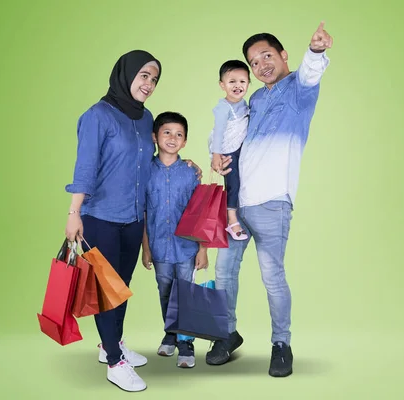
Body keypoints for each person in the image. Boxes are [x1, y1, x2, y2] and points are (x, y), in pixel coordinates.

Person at [64, 50, 206, 392]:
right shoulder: (97, 116)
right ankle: (115, 362)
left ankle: (111, 343)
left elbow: (158, 160)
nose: (149, 84)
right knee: (104, 290)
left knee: (121, 287)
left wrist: (188, 166)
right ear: (126, 74)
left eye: (154, 79)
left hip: (133, 218)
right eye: (144, 76)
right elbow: (85, 167)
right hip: (100, 217)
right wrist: (73, 213)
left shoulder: (146, 119)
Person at [205, 22, 333, 378]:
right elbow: (233, 134)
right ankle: (226, 334)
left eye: (267, 55)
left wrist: (317, 51)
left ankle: (281, 343)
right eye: (253, 61)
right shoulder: (256, 98)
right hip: (238, 204)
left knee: (272, 275)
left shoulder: (299, 88)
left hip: (273, 202)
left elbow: (310, 72)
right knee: (224, 272)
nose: (260, 64)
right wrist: (215, 153)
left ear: (283, 55)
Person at [140, 111, 209, 369]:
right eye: (167, 132)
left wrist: (203, 249)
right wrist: (145, 248)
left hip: (187, 247)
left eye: (179, 134)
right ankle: (170, 332)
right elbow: (144, 212)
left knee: (185, 293)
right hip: (158, 246)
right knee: (165, 291)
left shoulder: (191, 172)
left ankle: (186, 343)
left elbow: (201, 213)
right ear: (155, 136)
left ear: (185, 141)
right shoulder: (145, 171)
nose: (172, 138)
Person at [208, 60, 251, 240]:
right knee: (233, 185)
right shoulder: (223, 108)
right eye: (232, 81)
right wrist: (216, 155)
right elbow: (218, 133)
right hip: (227, 150)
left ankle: (241, 213)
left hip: (241, 149)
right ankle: (231, 220)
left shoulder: (245, 103)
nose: (237, 86)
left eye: (242, 81)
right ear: (222, 85)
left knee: (243, 181)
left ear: (248, 84)